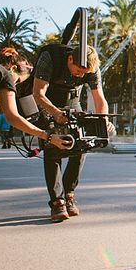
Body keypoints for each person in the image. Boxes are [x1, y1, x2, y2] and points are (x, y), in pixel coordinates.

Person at [32, 43, 114, 222]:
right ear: (70, 59)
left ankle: (69, 193)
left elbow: (99, 98)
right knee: (53, 147)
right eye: (78, 71)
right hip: (47, 102)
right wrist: (55, 113)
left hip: (73, 101)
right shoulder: (50, 57)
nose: (81, 75)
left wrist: (104, 120)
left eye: (85, 73)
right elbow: (37, 93)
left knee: (81, 145)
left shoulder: (92, 67)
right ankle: (57, 201)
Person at [0, 48, 71, 153]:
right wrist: (47, 136)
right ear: (13, 68)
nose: (14, 85)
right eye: (17, 81)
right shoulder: (5, 75)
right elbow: (12, 117)